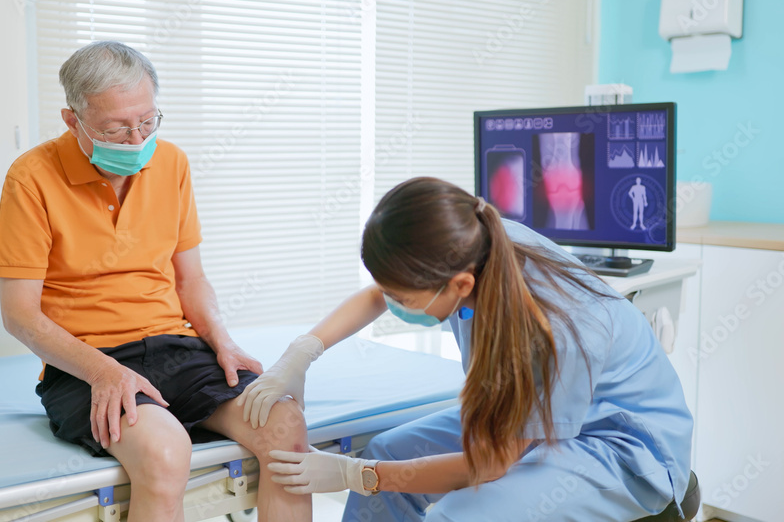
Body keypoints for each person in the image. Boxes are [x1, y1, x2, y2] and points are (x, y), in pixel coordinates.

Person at [240, 177, 693, 521]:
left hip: (614, 445)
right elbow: (382, 291)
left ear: (460, 286)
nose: (392, 305)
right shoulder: (473, 242)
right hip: (526, 412)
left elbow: (491, 463)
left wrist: (358, 475)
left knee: (454, 516)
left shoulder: (552, 330)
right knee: (388, 449)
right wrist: (301, 353)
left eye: (405, 300)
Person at [0, 41, 311, 522]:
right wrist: (103, 372)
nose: (135, 138)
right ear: (71, 119)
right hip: (89, 363)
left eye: (146, 121)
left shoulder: (172, 163)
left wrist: (221, 341)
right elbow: (19, 315)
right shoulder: (31, 178)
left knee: (284, 422)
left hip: (176, 345)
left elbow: (192, 279)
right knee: (166, 450)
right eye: (115, 128)